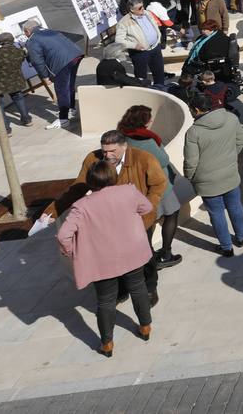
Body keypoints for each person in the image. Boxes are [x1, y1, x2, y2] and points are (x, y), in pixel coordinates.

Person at [46, 131, 166, 309]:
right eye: (104, 151)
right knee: (112, 257)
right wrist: (52, 212)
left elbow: (158, 184)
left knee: (144, 257)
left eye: (112, 151)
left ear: (124, 146)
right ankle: (121, 291)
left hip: (138, 221)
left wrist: (148, 207)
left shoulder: (144, 159)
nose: (107, 156)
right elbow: (77, 187)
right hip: (108, 222)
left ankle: (149, 287)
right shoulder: (92, 159)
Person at [56, 160, 154, 357]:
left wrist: (71, 251)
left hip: (101, 261)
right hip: (132, 252)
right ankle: (145, 327)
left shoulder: (81, 206)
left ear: (90, 182)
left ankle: (107, 343)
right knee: (138, 288)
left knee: (105, 300)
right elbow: (147, 208)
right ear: (113, 176)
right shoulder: (128, 191)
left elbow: (63, 235)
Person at [118, 105, 191, 269]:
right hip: (158, 186)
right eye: (148, 119)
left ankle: (148, 255)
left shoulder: (123, 135)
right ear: (142, 122)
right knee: (171, 214)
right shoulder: (147, 140)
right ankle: (165, 254)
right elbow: (163, 159)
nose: (151, 121)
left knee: (148, 221)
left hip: (137, 187)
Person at [183, 92, 243, 257]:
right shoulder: (231, 118)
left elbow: (191, 162)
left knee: (216, 213)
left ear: (197, 109)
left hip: (207, 181)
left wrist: (190, 177)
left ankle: (226, 247)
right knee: (235, 206)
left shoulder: (193, 132)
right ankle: (241, 236)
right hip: (230, 173)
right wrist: (231, 158)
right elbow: (241, 141)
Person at [23, 19, 83, 129]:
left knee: (61, 89)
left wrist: (45, 76)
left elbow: (37, 61)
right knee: (69, 85)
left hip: (61, 62)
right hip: (76, 54)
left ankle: (63, 118)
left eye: (25, 32)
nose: (25, 35)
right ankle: (71, 108)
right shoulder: (49, 31)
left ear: (27, 31)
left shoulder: (32, 40)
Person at [115, 0, 166, 86]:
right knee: (141, 77)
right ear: (131, 9)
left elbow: (154, 25)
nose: (143, 9)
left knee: (159, 73)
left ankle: (160, 89)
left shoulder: (147, 13)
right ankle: (144, 93)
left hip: (155, 48)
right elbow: (118, 40)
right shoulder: (123, 22)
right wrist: (134, 45)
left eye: (143, 6)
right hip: (140, 53)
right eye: (139, 8)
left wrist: (158, 38)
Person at [0, 32, 32, 126]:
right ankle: (27, 120)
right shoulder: (20, 51)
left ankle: (6, 129)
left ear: (0, 42)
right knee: (19, 98)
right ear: (12, 40)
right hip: (16, 80)